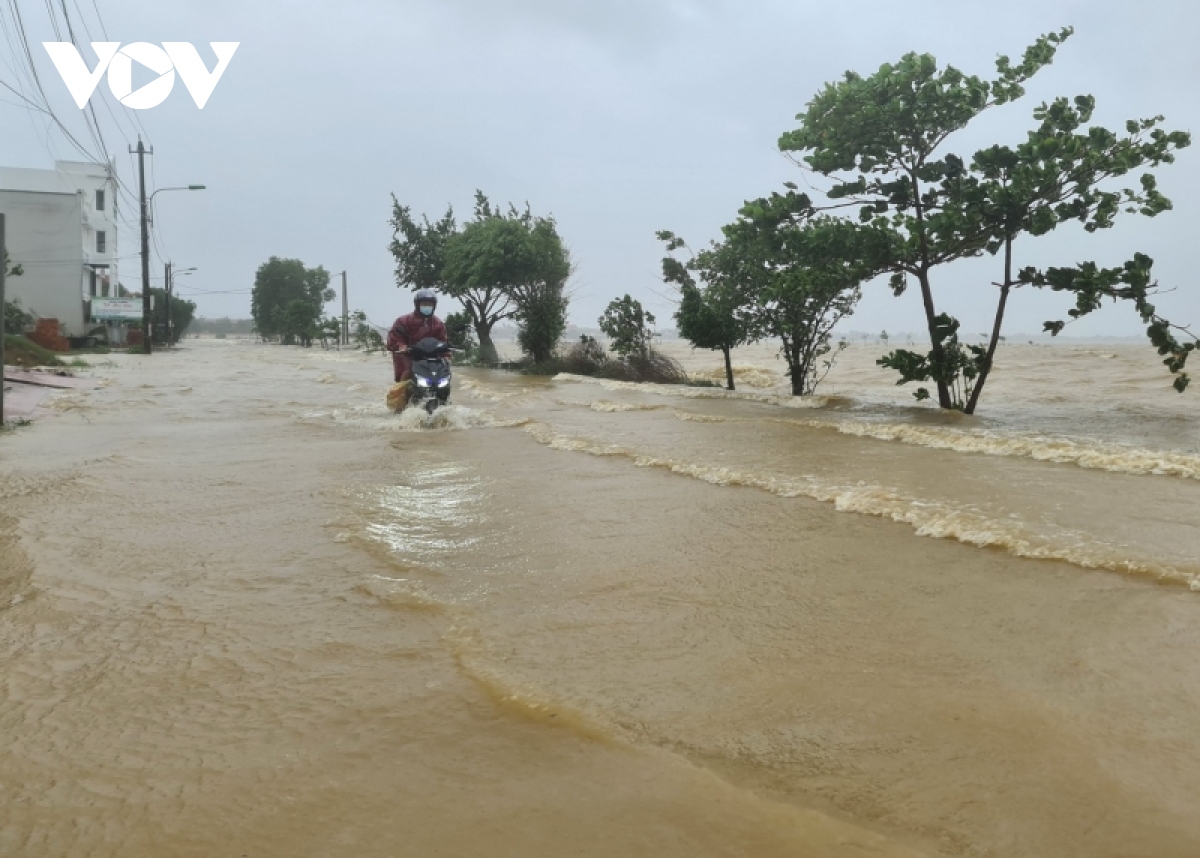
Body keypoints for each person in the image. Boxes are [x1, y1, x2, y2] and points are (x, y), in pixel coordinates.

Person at [387, 288, 449, 382]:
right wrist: (401, 346)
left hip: (431, 360)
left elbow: (443, 341)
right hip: (408, 357)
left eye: (429, 304)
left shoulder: (438, 323)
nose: (427, 307)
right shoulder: (403, 321)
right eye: (424, 304)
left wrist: (446, 355)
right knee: (405, 379)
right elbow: (394, 339)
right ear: (417, 305)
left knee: (444, 377)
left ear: (434, 306)